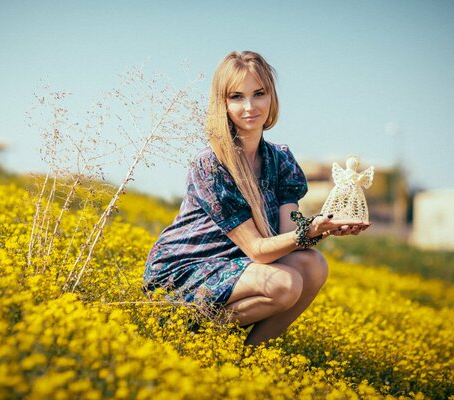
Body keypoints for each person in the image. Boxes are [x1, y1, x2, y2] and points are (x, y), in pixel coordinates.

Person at [143, 51, 370, 346]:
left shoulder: (281, 159)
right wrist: (312, 229)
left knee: (313, 265)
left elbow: (289, 238)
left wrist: (324, 227)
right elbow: (260, 251)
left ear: (271, 97)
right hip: (186, 269)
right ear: (222, 103)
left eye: (258, 94)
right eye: (237, 97)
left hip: (238, 265)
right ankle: (184, 330)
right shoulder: (211, 163)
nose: (250, 106)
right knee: (284, 284)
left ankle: (249, 358)